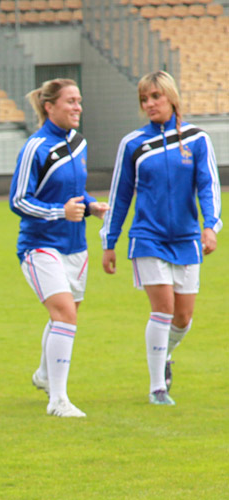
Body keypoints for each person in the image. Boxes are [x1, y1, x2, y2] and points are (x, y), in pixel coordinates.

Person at [100, 70, 222, 405]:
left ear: (171, 97)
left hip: (186, 239)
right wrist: (109, 242)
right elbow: (120, 195)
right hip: (148, 238)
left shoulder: (197, 139)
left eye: (155, 96)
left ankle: (164, 353)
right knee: (164, 310)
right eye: (144, 99)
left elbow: (208, 186)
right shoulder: (133, 144)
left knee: (183, 318)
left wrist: (210, 225)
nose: (149, 104)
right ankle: (157, 387)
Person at [9, 79, 109, 418]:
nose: (78, 107)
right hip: (40, 246)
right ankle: (58, 400)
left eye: (79, 101)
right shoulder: (35, 147)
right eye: (71, 101)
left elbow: (75, 193)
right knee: (65, 313)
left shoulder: (79, 143)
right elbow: (19, 200)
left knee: (66, 315)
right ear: (49, 106)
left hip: (76, 246)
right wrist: (58, 213)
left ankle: (43, 375)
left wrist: (93, 206)